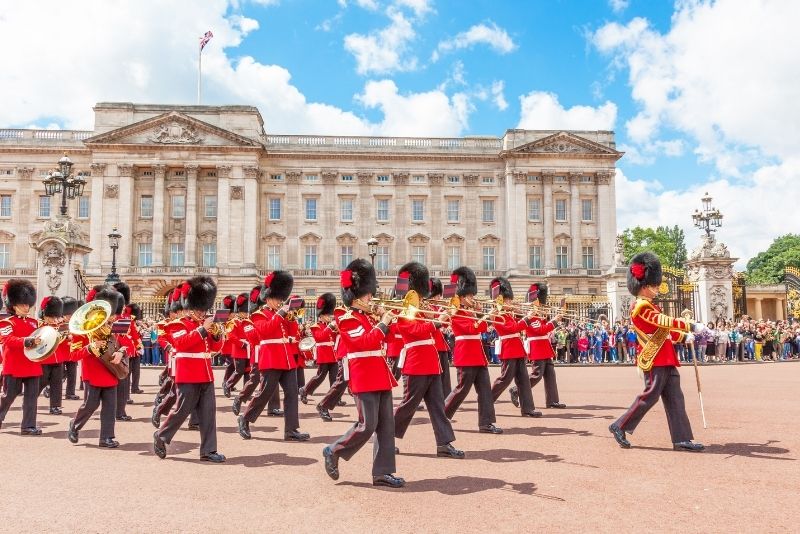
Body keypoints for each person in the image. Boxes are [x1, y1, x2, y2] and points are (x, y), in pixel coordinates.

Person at [609, 252, 705, 452]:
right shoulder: (640, 306)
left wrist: (684, 337)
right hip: (653, 358)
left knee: (676, 398)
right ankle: (620, 425)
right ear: (645, 286)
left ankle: (682, 439)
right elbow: (663, 321)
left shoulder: (651, 305)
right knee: (650, 395)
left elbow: (663, 331)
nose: (657, 289)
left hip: (666, 357)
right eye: (655, 285)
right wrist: (689, 325)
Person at [322, 258, 404, 488]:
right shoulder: (346, 319)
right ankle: (334, 450)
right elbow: (365, 343)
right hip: (364, 375)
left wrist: (388, 320)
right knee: (367, 425)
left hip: (380, 374)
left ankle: (383, 473)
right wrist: (382, 324)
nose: (371, 297)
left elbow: (390, 338)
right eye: (368, 294)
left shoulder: (369, 317)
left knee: (386, 426)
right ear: (356, 296)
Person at [392, 262, 464, 459]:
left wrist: (442, 316)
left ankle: (444, 444)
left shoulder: (422, 308)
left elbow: (433, 328)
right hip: (416, 364)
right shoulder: (406, 310)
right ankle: (386, 438)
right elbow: (414, 330)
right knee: (408, 406)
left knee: (438, 407)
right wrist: (436, 321)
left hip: (431, 363)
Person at [154, 276, 226, 462]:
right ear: (190, 307)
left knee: (208, 414)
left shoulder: (203, 324)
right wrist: (202, 330)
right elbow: (181, 344)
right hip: (187, 374)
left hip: (206, 374)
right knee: (182, 410)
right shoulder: (178, 324)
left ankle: (208, 451)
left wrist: (216, 335)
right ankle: (161, 435)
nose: (202, 313)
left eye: (204, 309)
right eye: (199, 309)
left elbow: (215, 348)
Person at [237, 271, 309, 442]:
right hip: (270, 358)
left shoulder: (282, 314)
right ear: (268, 298)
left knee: (292, 394)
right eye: (277, 298)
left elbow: (292, 333)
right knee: (265, 393)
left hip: (287, 358)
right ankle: (245, 418)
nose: (279, 301)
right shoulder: (259, 314)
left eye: (280, 298)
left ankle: (291, 430)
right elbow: (265, 331)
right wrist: (280, 314)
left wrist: (292, 317)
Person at [443, 266, 502, 434]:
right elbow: (472, 329)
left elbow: (482, 328)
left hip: (477, 355)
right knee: (461, 390)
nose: (472, 298)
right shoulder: (455, 312)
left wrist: (483, 315)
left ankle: (486, 423)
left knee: (485, 391)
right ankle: (442, 415)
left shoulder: (470, 312)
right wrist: (485, 316)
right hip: (466, 355)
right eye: (469, 295)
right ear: (461, 297)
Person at [68, 285, 127, 448]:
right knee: (91, 405)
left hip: (111, 370)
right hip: (93, 372)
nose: (112, 317)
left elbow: (123, 345)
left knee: (110, 407)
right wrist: (89, 348)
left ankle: (106, 438)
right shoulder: (83, 329)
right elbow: (73, 355)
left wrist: (121, 352)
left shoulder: (113, 328)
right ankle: (75, 424)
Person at [487, 277, 540, 418]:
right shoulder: (498, 315)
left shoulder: (509, 314)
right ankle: (487, 402)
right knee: (505, 379)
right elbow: (513, 328)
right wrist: (527, 318)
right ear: (500, 301)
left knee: (524, 380)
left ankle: (528, 408)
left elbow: (522, 322)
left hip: (517, 349)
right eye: (507, 300)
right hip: (509, 349)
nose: (510, 302)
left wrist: (522, 312)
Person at [0, 279, 43, 434]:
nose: (26, 307)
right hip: (14, 365)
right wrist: (28, 341)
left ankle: (28, 426)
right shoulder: (6, 323)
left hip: (32, 364)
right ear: (13, 305)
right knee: (9, 396)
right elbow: (8, 340)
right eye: (22, 304)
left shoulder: (34, 322)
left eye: (27, 304)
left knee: (31, 398)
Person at [299, 293, 338, 404]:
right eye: (327, 315)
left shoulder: (330, 326)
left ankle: (335, 398)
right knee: (320, 376)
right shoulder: (316, 326)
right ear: (321, 315)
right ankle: (305, 390)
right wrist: (330, 327)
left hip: (333, 354)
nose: (329, 316)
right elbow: (320, 337)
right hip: (324, 354)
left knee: (335, 378)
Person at [37, 296, 68, 415]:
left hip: (58, 359)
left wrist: (68, 337)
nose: (54, 319)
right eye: (51, 317)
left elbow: (63, 342)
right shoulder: (39, 325)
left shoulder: (60, 326)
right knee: (41, 383)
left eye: (55, 316)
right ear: (44, 314)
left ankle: (55, 406)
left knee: (57, 384)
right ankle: (30, 401)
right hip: (44, 360)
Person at [223, 293, 254, 398]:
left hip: (248, 350)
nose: (246, 314)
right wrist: (242, 344)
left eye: (246, 311)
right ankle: (228, 385)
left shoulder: (248, 322)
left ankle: (246, 393)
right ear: (239, 311)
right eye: (244, 312)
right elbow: (231, 336)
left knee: (248, 372)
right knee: (239, 371)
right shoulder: (233, 322)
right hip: (239, 351)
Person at [428, 277, 453, 397]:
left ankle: (446, 398)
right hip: (433, 345)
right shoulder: (427, 307)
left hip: (441, 345)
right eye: (437, 295)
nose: (439, 298)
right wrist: (440, 317)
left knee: (445, 376)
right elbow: (430, 324)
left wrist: (447, 316)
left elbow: (445, 324)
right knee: (435, 376)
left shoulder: (438, 307)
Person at [61, 297, 82, 401]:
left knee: (72, 374)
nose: (70, 317)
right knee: (60, 374)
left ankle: (70, 393)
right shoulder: (59, 324)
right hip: (61, 352)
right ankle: (50, 388)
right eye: (68, 315)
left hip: (72, 351)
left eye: (71, 314)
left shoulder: (76, 324)